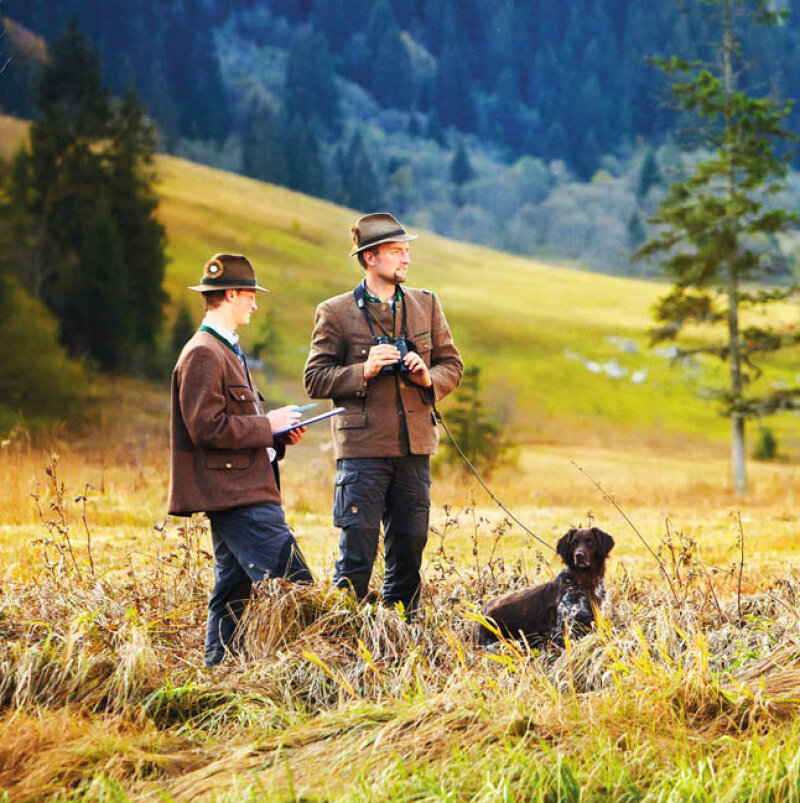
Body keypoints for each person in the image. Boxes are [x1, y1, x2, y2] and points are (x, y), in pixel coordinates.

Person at [304, 213, 463, 613]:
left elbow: (453, 366)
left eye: (407, 251)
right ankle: (342, 636)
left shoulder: (426, 304)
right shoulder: (336, 312)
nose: (406, 259)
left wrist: (429, 377)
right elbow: (315, 379)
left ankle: (399, 635)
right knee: (357, 552)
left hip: (414, 449)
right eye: (396, 252)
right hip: (362, 452)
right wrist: (364, 370)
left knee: (409, 550)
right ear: (370, 258)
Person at [168, 253, 313, 667]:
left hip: (239, 487)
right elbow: (207, 429)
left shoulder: (224, 350)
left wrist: (275, 439)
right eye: (250, 295)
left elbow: (232, 426)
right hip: (237, 494)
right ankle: (314, 674)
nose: (254, 304)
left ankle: (219, 673)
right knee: (298, 586)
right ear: (230, 294)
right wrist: (267, 425)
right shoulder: (203, 353)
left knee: (231, 592)